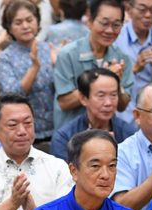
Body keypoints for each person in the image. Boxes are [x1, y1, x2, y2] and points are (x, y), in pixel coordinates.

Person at [53, 0, 133, 129]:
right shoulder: (68, 55)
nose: (109, 30)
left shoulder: (122, 58)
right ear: (90, 21)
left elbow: (122, 106)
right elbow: (64, 102)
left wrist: (117, 85)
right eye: (104, 23)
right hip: (72, 135)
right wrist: (102, 78)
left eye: (116, 25)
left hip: (105, 134)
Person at [0, 0, 55, 140]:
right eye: (18, 22)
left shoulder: (48, 49)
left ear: (38, 21)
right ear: (9, 28)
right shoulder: (5, 58)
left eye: (29, 20)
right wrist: (34, 67)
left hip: (55, 130)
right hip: (24, 135)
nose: (25, 26)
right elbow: (12, 97)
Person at [51, 68, 137, 161]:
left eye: (113, 95)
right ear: (83, 98)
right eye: (101, 96)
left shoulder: (129, 134)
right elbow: (64, 174)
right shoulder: (64, 138)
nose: (108, 103)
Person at [114, 0, 152, 123]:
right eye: (142, 10)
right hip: (124, 109)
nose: (148, 15)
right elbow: (111, 78)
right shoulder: (117, 36)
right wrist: (136, 68)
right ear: (129, 9)